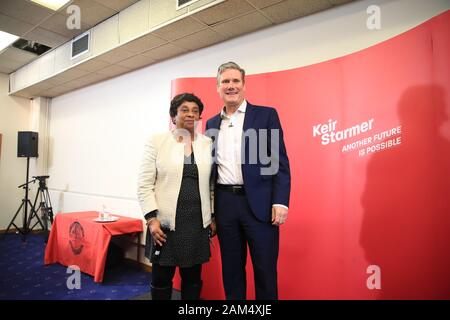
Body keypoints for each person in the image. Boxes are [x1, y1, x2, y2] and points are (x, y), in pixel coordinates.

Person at [205, 62, 291, 300]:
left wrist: (281, 202)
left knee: (265, 269)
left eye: (235, 81)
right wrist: (210, 213)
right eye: (225, 82)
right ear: (218, 87)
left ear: (243, 85)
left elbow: (279, 162)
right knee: (231, 271)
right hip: (225, 206)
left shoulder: (265, 115)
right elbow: (210, 171)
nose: (230, 86)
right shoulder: (211, 124)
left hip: (260, 206)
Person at [137, 93, 216, 300]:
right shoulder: (157, 141)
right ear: (173, 116)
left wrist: (212, 216)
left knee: (192, 279)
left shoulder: (207, 143)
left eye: (195, 111)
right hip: (164, 225)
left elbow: (212, 185)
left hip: (197, 224)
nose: (190, 114)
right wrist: (151, 219)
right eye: (184, 110)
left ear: (199, 117)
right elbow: (144, 184)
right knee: (162, 278)